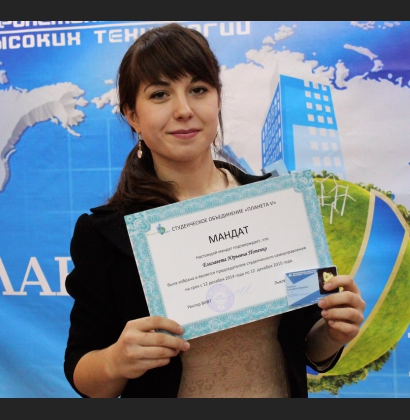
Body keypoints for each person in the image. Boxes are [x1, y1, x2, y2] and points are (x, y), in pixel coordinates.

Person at [63, 22, 366, 398]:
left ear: (218, 99)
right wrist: (116, 360)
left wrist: (333, 332)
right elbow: (84, 375)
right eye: (160, 94)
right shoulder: (107, 234)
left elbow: (305, 344)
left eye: (198, 90)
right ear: (132, 115)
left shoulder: (276, 205)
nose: (183, 110)